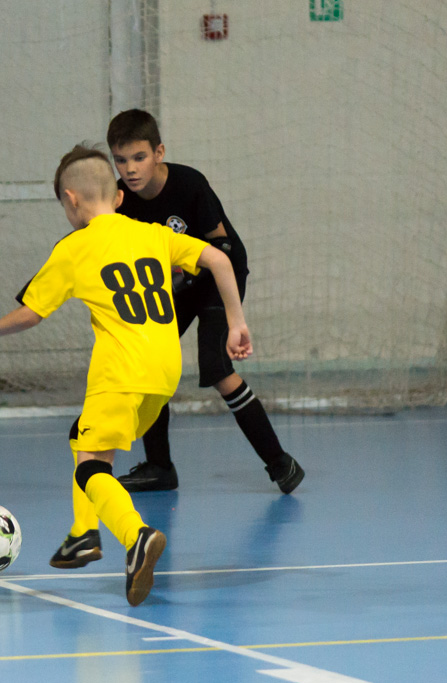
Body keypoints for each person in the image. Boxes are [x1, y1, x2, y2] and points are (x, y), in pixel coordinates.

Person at [0, 145, 250, 605]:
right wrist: (236, 322)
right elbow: (221, 260)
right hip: (165, 370)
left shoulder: (74, 247)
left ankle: (135, 536)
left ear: (71, 200)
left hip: (120, 370)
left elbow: (31, 313)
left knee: (91, 465)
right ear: (120, 196)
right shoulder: (152, 234)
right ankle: (82, 534)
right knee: (84, 437)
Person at [105, 109, 303, 494]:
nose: (130, 169)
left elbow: (222, 247)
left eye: (139, 157)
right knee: (148, 365)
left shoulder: (190, 184)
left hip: (217, 278)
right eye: (121, 160)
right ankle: (160, 467)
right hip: (175, 287)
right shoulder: (119, 199)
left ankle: (280, 462)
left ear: (159, 152)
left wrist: (232, 317)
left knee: (216, 366)